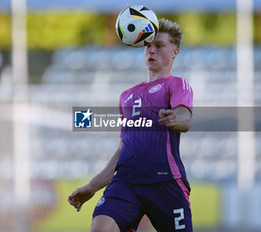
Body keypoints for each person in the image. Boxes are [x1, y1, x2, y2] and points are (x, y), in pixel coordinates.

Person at [68, 18, 193, 232]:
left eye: (159, 46)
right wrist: (92, 186)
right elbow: (122, 148)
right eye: (147, 45)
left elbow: (184, 116)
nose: (151, 51)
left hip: (165, 182)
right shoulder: (127, 96)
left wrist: (176, 119)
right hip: (126, 183)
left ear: (175, 52)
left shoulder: (176, 84)